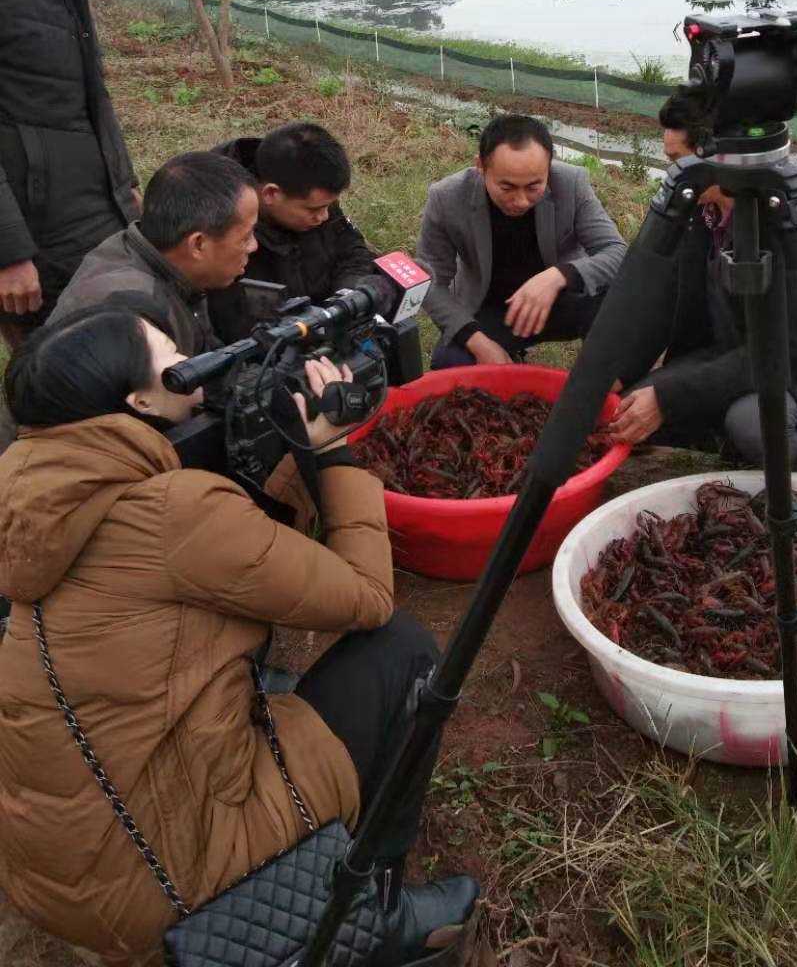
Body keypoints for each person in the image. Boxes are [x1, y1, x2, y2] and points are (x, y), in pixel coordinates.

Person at [0, 302, 478, 965]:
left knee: (269, 683)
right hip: (169, 885)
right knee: (401, 650)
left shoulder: (34, 502)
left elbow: (218, 573)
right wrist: (331, 451)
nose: (194, 367)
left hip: (60, 869)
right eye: (176, 358)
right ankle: (374, 905)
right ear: (139, 397)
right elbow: (366, 597)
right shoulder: (174, 512)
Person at [608, 105, 797, 471]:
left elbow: (782, 353)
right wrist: (615, 374)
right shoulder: (699, 209)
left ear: (719, 157)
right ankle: (719, 437)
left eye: (678, 161)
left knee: (753, 425)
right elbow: (663, 305)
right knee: (628, 406)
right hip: (726, 356)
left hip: (796, 375)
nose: (672, 174)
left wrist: (670, 398)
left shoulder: (786, 222)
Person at [0, 0, 139, 348]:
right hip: (34, 235)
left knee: (126, 357)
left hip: (92, 206)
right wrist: (8, 252)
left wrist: (123, 185)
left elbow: (86, 86)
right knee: (60, 375)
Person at [416, 114, 626, 369]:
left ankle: (606, 387)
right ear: (480, 166)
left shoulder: (571, 184)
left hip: (563, 299)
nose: (521, 201)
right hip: (493, 307)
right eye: (506, 187)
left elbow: (617, 252)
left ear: (549, 167)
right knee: (451, 361)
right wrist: (476, 340)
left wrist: (559, 276)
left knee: (616, 307)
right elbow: (431, 281)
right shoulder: (447, 198)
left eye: (533, 187)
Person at [47, 149, 259, 357]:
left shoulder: (151, 254)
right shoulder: (136, 318)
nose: (254, 246)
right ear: (198, 244)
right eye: (246, 237)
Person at [210, 121, 380, 338]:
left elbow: (353, 253)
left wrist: (346, 300)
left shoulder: (310, 191)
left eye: (330, 205)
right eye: (315, 209)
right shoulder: (222, 230)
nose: (325, 216)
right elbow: (229, 323)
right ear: (271, 194)